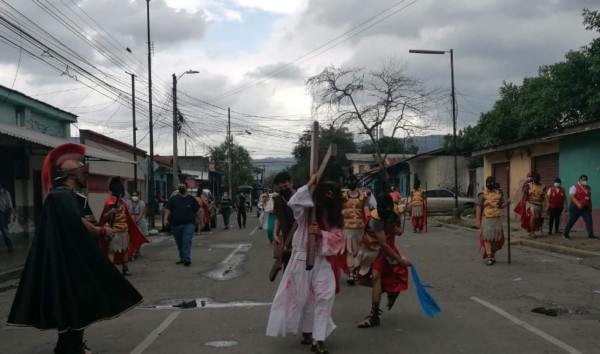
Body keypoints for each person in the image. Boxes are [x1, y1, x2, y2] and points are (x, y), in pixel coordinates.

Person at [7, 143, 142, 354]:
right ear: (71, 174)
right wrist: (102, 231)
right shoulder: (61, 196)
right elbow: (82, 225)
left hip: (73, 257)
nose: (85, 176)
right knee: (71, 300)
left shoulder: (69, 196)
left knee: (79, 300)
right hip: (65, 260)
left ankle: (73, 344)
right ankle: (69, 346)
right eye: (82, 172)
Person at [266, 174, 345, 354]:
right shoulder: (305, 210)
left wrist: (321, 234)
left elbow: (338, 241)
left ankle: (318, 339)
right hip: (301, 258)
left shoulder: (334, 217)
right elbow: (294, 201)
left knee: (325, 295)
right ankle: (307, 332)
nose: (329, 197)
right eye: (327, 193)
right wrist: (310, 182)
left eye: (333, 194)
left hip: (321, 259)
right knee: (303, 299)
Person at [356, 192, 411, 328]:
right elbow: (383, 245)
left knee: (376, 276)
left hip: (385, 248)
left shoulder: (396, 210)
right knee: (362, 279)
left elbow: (397, 229)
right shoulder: (375, 219)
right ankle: (388, 288)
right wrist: (401, 260)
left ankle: (374, 315)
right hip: (372, 247)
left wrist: (398, 230)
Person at [99, 177, 148, 276]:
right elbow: (106, 216)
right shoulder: (118, 202)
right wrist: (112, 212)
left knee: (116, 251)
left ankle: (116, 271)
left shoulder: (116, 202)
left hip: (118, 231)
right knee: (118, 250)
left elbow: (105, 216)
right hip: (119, 230)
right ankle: (122, 270)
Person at [341, 176, 369, 285]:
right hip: (347, 227)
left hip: (360, 227)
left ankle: (357, 271)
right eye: (349, 181)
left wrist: (369, 220)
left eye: (353, 181)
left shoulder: (363, 196)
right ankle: (351, 273)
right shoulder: (342, 196)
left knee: (359, 251)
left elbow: (366, 211)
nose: (351, 183)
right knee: (349, 251)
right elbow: (338, 210)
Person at [164, 183, 201, 266]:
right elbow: (168, 210)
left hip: (189, 224)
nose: (181, 188)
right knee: (179, 242)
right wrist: (165, 219)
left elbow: (198, 211)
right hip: (175, 225)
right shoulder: (173, 199)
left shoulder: (191, 199)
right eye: (179, 186)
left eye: (182, 186)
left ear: (187, 188)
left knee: (186, 241)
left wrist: (200, 222)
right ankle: (182, 257)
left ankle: (187, 258)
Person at [476, 176, 505, 266]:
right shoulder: (482, 194)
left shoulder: (499, 193)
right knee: (487, 237)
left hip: (497, 218)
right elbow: (479, 207)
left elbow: (501, 205)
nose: (490, 184)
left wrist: (507, 203)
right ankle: (489, 256)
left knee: (497, 238)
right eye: (488, 183)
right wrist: (477, 220)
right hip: (487, 218)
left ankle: (492, 254)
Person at [272, 171, 296, 270]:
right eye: (280, 188)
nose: (283, 189)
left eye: (285, 186)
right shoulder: (278, 200)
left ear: (291, 183)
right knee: (288, 271)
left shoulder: (300, 197)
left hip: (302, 240)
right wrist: (275, 234)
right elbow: (279, 218)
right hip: (287, 240)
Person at [563, 174, 598, 240]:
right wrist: (578, 203)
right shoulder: (574, 187)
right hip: (575, 207)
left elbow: (589, 198)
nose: (584, 181)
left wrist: (590, 207)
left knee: (589, 220)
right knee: (572, 220)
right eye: (583, 180)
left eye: (585, 180)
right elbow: (572, 196)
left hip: (585, 207)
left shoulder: (588, 188)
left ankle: (591, 235)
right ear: (580, 180)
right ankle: (565, 234)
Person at [522, 172, 547, 237]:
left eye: (537, 178)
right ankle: (532, 231)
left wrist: (548, 203)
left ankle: (539, 230)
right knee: (533, 217)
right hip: (531, 203)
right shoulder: (529, 185)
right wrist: (525, 189)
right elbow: (524, 192)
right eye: (535, 178)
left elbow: (545, 195)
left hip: (539, 204)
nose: (536, 179)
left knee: (540, 218)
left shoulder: (542, 186)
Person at [127, 191, 149, 258]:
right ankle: (131, 251)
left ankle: (137, 251)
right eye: (133, 195)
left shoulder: (141, 203)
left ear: (138, 196)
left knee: (139, 236)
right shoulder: (128, 202)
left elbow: (141, 213)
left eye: (136, 195)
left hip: (139, 221)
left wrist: (136, 220)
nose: (134, 197)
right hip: (130, 219)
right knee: (130, 236)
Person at [0, 181, 14, 253]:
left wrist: (8, 217)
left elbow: (9, 207)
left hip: (2, 214)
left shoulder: (5, 193)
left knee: (5, 232)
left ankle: (10, 247)